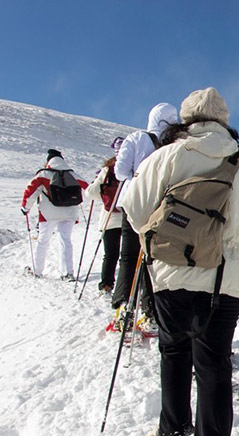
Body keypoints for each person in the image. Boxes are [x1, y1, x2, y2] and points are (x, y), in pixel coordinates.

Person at [125, 88, 239, 436]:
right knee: (213, 366)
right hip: (224, 283)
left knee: (173, 352)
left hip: (170, 277)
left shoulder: (166, 157)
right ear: (224, 121)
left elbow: (133, 211)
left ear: (185, 120)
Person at [111, 102, 179, 330]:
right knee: (152, 259)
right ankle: (151, 313)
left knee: (128, 257)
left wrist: (136, 175)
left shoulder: (136, 138)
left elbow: (120, 172)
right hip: (161, 208)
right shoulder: (175, 145)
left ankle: (123, 309)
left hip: (133, 204)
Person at [21, 149, 88, 280]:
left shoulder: (44, 174)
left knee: (43, 241)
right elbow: (88, 189)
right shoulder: (73, 174)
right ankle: (67, 273)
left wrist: (25, 208)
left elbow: (30, 190)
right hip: (70, 213)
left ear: (48, 161)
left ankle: (37, 271)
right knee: (65, 240)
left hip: (48, 214)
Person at [85, 137, 125, 292]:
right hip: (131, 217)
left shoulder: (108, 170)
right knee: (129, 256)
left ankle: (106, 284)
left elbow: (91, 193)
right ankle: (126, 287)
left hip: (110, 218)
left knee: (110, 254)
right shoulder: (136, 166)